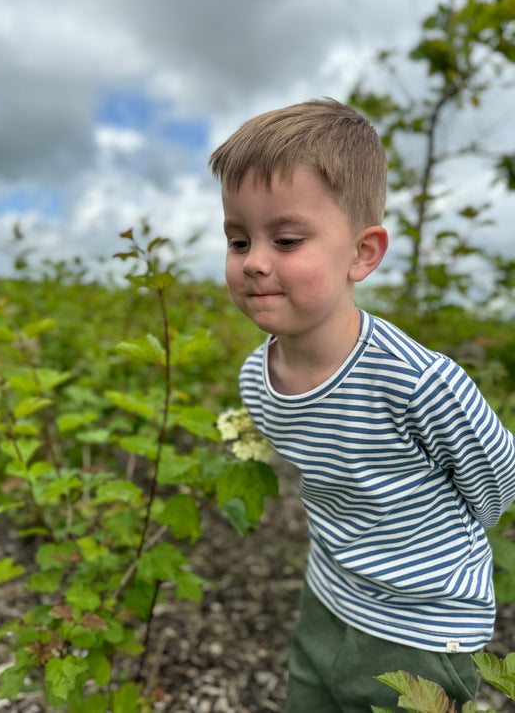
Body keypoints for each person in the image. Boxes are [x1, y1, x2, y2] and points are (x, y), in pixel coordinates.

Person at [208, 98, 515, 712]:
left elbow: (496, 483)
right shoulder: (257, 378)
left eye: (287, 239)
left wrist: (433, 551)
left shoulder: (417, 382)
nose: (256, 262)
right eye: (239, 240)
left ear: (361, 254)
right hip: (328, 595)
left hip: (424, 628)